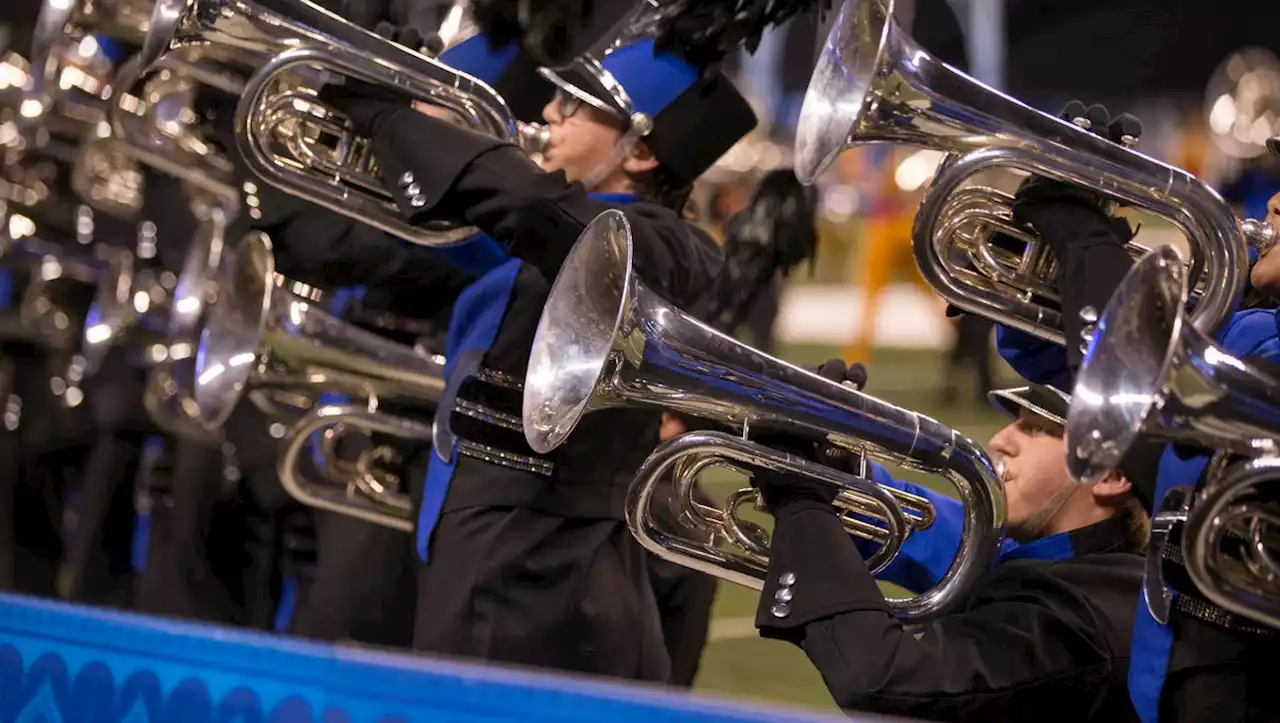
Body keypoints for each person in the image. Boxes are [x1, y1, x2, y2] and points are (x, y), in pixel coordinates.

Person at [320, 35, 756, 680]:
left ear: (638, 152)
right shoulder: (529, 238)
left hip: (543, 570)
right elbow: (334, 247)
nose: (548, 113)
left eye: (574, 108)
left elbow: (528, 205)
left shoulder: (671, 245)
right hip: (498, 549)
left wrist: (391, 116)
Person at [995, 111, 1280, 723]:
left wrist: (1086, 243)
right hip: (1178, 675)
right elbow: (1061, 362)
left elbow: (1167, 440)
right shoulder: (1252, 317)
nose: (1275, 203)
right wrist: (1038, 257)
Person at [742, 365, 1145, 721]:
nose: (1001, 439)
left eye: (1039, 429)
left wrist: (801, 502)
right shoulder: (1081, 564)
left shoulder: (1079, 617)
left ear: (1109, 477)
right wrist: (840, 469)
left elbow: (886, 681)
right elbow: (939, 532)